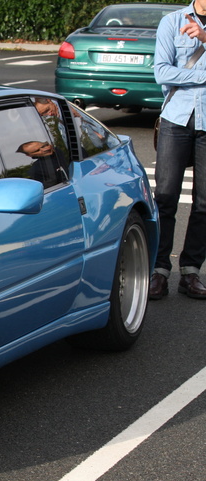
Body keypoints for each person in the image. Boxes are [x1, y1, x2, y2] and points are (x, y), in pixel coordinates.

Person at [151, 1, 206, 299]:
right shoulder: (172, 22)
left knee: (204, 203)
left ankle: (191, 271)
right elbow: (162, 72)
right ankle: (158, 270)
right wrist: (202, 76)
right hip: (177, 118)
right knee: (166, 197)